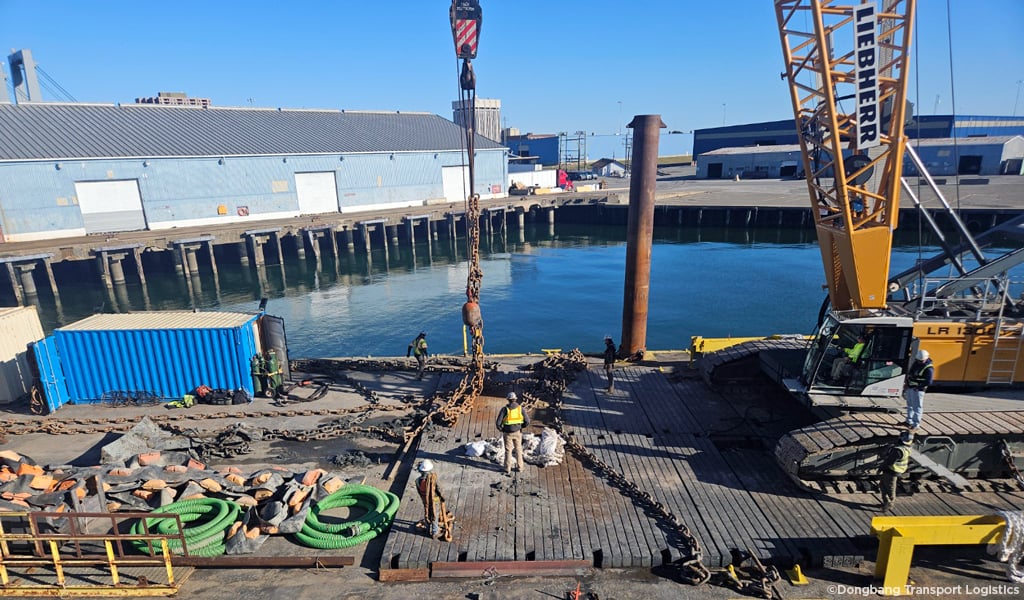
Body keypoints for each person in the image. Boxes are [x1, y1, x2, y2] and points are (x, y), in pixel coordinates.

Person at [495, 392, 529, 476]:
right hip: (518, 432)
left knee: (508, 450)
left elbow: (498, 423)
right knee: (518, 449)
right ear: (515, 399)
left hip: (507, 433)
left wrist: (502, 429)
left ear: (508, 400)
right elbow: (527, 421)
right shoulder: (520, 408)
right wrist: (521, 427)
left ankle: (507, 469)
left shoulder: (504, 409)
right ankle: (520, 468)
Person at [878, 430, 913, 511]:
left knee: (889, 488)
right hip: (895, 470)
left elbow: (889, 461)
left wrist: (881, 468)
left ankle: (889, 504)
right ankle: (886, 502)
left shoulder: (898, 451)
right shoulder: (906, 448)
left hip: (892, 471)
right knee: (883, 485)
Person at [904, 349, 934, 430]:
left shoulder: (929, 368)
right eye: (918, 360)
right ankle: (909, 421)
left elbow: (929, 381)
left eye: (921, 361)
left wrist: (919, 387)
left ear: (926, 359)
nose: (919, 362)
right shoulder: (917, 363)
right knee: (910, 405)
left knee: (917, 407)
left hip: (918, 390)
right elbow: (910, 373)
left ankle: (916, 425)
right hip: (910, 387)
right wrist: (907, 383)